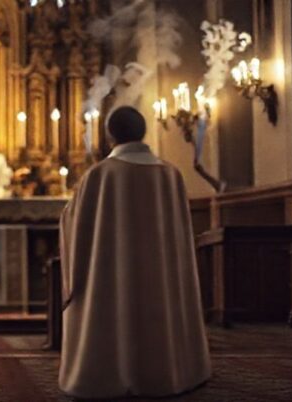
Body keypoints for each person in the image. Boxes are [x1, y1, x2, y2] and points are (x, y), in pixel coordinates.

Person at [59, 107, 211, 399]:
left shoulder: (100, 174)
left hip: (111, 275)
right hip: (161, 276)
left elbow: (74, 222)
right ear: (143, 132)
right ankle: (170, 371)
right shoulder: (170, 174)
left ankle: (109, 374)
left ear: (110, 135)